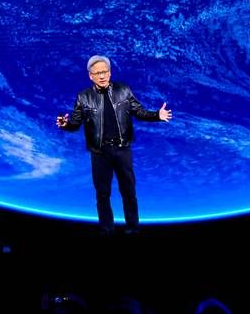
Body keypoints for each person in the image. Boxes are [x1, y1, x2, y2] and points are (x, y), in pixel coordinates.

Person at [54, 55, 171, 234]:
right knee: (102, 193)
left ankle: (133, 228)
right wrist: (65, 125)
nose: (102, 76)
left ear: (110, 72)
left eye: (105, 72)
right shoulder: (84, 97)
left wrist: (156, 115)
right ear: (90, 76)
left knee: (129, 191)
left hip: (123, 149)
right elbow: (76, 123)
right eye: (97, 73)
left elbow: (139, 111)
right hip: (100, 152)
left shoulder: (123, 90)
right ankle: (106, 229)